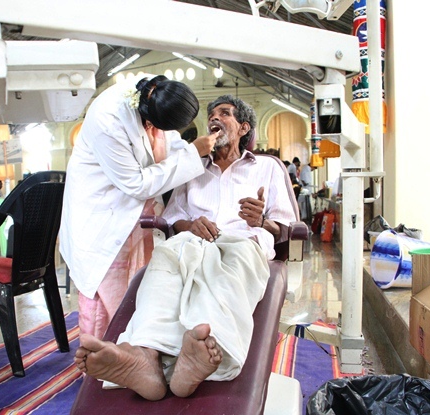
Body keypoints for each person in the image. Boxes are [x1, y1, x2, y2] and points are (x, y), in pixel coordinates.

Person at [74, 95, 296, 401]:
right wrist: (190, 225)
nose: (215, 117)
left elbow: (286, 226)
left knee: (228, 270)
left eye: (225, 113)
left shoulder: (268, 167)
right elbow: (173, 216)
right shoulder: (193, 168)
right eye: (212, 114)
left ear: (244, 127)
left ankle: (201, 348)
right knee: (164, 260)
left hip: (242, 241)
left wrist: (262, 220)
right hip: (192, 241)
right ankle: (144, 355)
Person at [59, 74, 219, 339]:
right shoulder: (108, 119)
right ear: (151, 119)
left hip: (136, 219)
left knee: (140, 294)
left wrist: (191, 151)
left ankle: (134, 350)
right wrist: (192, 153)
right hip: (103, 216)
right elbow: (136, 184)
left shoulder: (155, 98)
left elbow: (168, 142)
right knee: (106, 303)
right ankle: (100, 358)